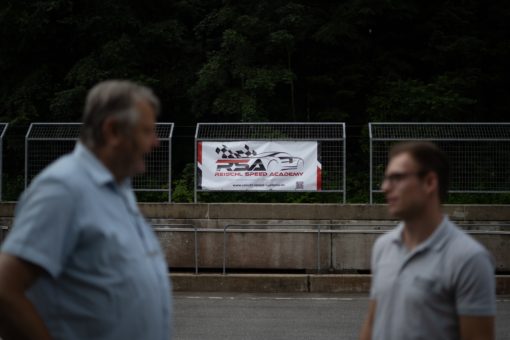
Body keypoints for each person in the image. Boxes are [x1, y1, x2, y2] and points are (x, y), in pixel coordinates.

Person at [0, 80, 172, 339]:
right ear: (113, 131)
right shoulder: (63, 188)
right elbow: (5, 288)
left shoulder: (117, 187)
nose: (155, 142)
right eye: (146, 131)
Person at [360, 141, 495, 340]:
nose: (385, 187)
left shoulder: (469, 259)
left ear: (430, 182)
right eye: (386, 178)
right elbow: (372, 323)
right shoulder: (383, 246)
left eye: (397, 178)